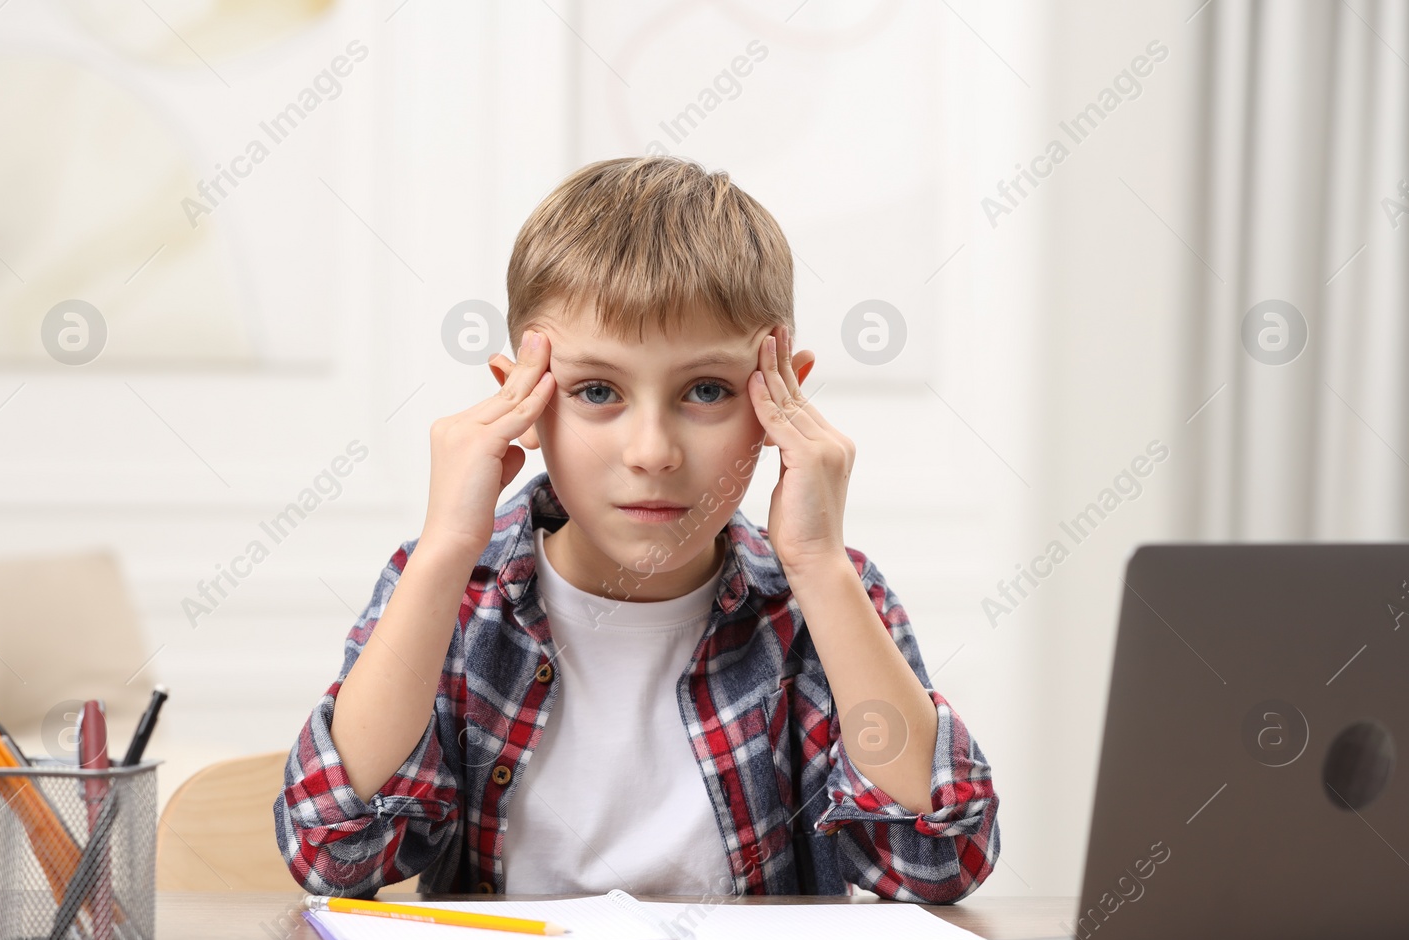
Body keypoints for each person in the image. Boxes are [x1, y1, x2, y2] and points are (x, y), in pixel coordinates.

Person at [276, 156, 1000, 901]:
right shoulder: (451, 590)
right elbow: (335, 853)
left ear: (781, 399)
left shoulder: (820, 603)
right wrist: (445, 553)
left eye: (707, 390)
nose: (652, 452)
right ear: (521, 400)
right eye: (597, 391)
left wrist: (817, 563)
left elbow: (938, 861)